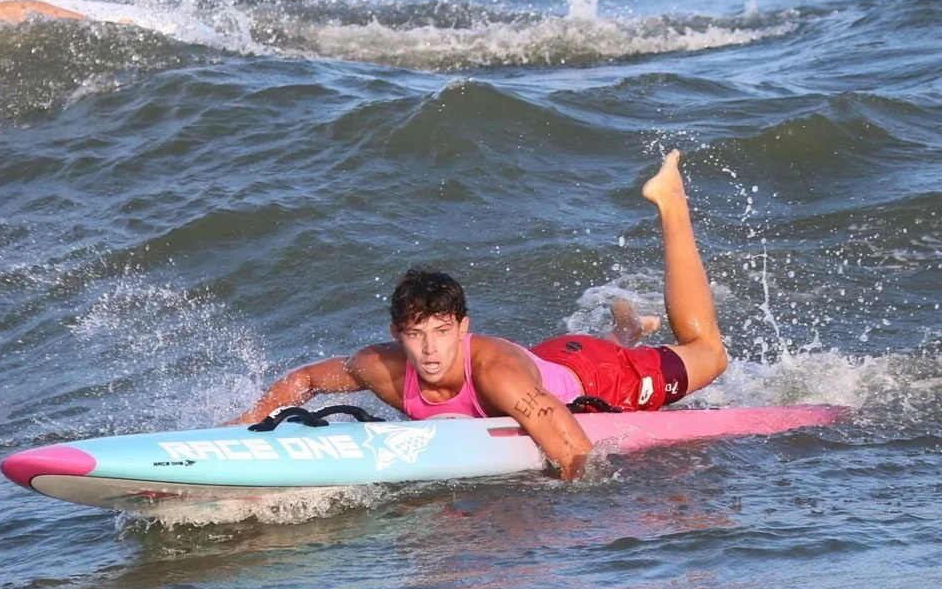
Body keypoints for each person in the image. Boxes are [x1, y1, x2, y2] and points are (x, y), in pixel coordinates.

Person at [235, 151, 728, 479]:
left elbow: (576, 451)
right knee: (567, 368)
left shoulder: (494, 374)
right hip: (549, 360)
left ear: (462, 329)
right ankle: (624, 328)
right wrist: (249, 423)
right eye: (415, 334)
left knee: (710, 353)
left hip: (595, 376)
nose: (430, 349)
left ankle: (672, 204)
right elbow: (304, 380)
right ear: (396, 334)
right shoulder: (380, 368)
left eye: (442, 332)